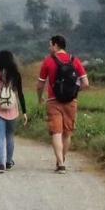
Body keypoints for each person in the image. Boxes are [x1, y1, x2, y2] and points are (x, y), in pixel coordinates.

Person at [36, 34, 89, 173]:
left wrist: (40, 97)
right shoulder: (75, 60)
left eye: (50, 45)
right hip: (71, 102)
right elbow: (86, 83)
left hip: (53, 101)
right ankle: (62, 159)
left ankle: (60, 164)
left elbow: (40, 85)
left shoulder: (48, 61)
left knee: (56, 132)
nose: (49, 47)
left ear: (55, 45)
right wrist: (74, 92)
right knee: (67, 133)